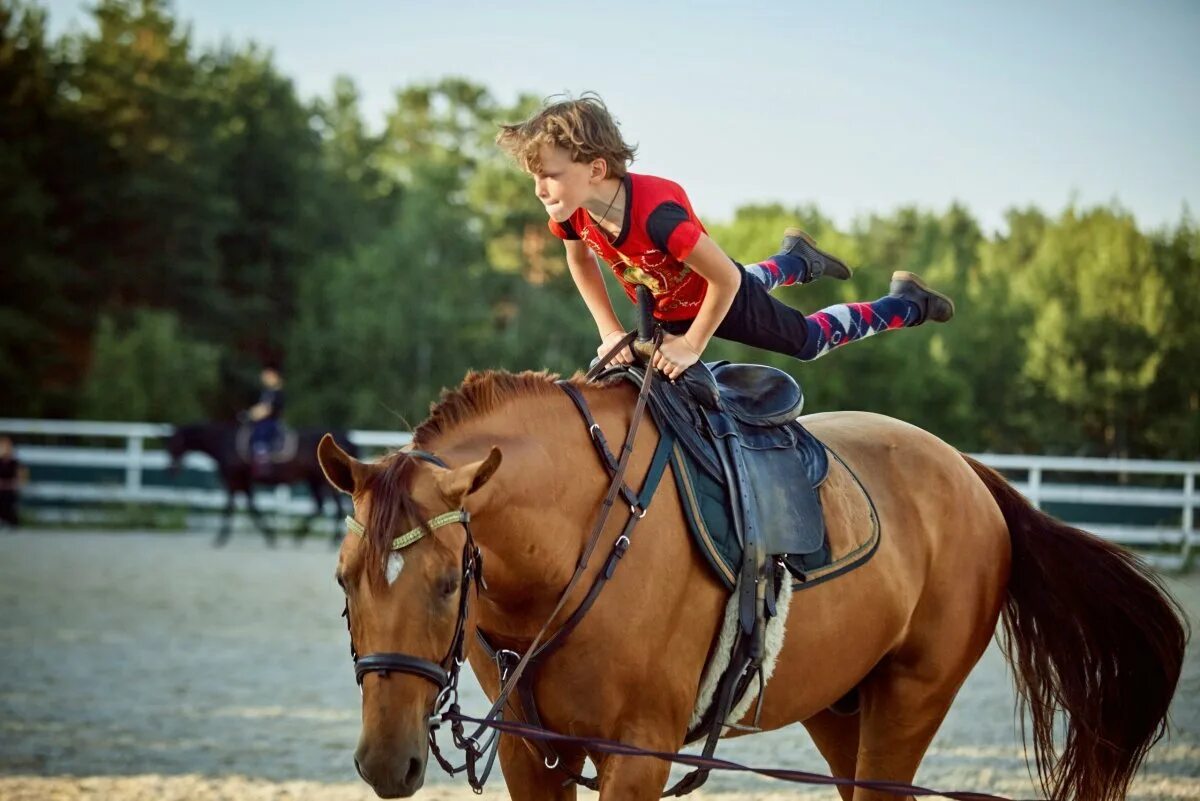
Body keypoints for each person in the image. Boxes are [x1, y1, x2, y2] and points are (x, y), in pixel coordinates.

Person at [496, 94, 954, 380]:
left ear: (596, 169)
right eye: (535, 177)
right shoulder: (574, 212)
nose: (539, 190)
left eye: (550, 176)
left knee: (808, 340)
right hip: (666, 305)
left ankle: (904, 304)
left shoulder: (660, 219)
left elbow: (726, 283)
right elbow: (580, 262)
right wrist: (610, 330)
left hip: (716, 301)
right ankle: (796, 259)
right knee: (724, 275)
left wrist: (693, 345)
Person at [246, 366, 285, 473]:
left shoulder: (277, 392)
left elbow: (268, 409)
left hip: (271, 422)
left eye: (267, 375)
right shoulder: (267, 392)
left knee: (262, 434)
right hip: (263, 421)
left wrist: (253, 414)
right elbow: (261, 406)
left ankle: (262, 459)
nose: (264, 378)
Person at [0, 435, 27, 529]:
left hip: (10, 491)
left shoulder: (15, 463)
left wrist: (10, 484)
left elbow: (22, 479)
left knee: (8, 496)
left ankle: (10, 520)